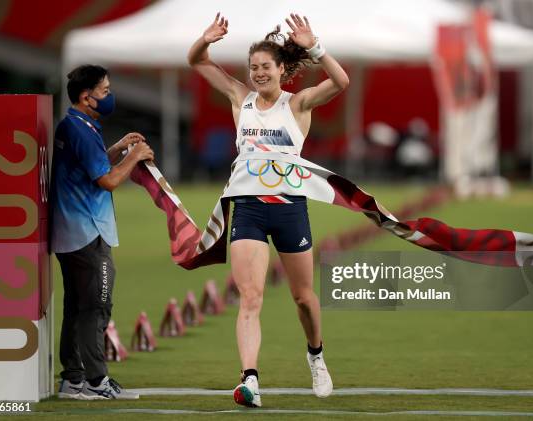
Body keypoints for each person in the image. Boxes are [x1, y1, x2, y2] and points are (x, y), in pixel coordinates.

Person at [188, 13, 349, 407]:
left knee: (304, 298)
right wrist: (205, 39)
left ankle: (316, 355)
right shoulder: (239, 98)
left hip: (289, 210)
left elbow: (341, 82)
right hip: (248, 210)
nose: (259, 73)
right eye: (254, 68)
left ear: (281, 70)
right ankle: (250, 381)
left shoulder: (299, 104)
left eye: (265, 67)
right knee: (250, 298)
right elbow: (196, 61)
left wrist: (316, 47)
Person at [50, 65, 154, 400]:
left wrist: (118, 148)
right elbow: (107, 180)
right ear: (86, 96)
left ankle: (73, 380)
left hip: (73, 232)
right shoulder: (79, 129)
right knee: (97, 305)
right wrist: (135, 155)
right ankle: (97, 382)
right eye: (105, 91)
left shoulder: (76, 124)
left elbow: (92, 166)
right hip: (87, 232)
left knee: (77, 306)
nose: (109, 97)